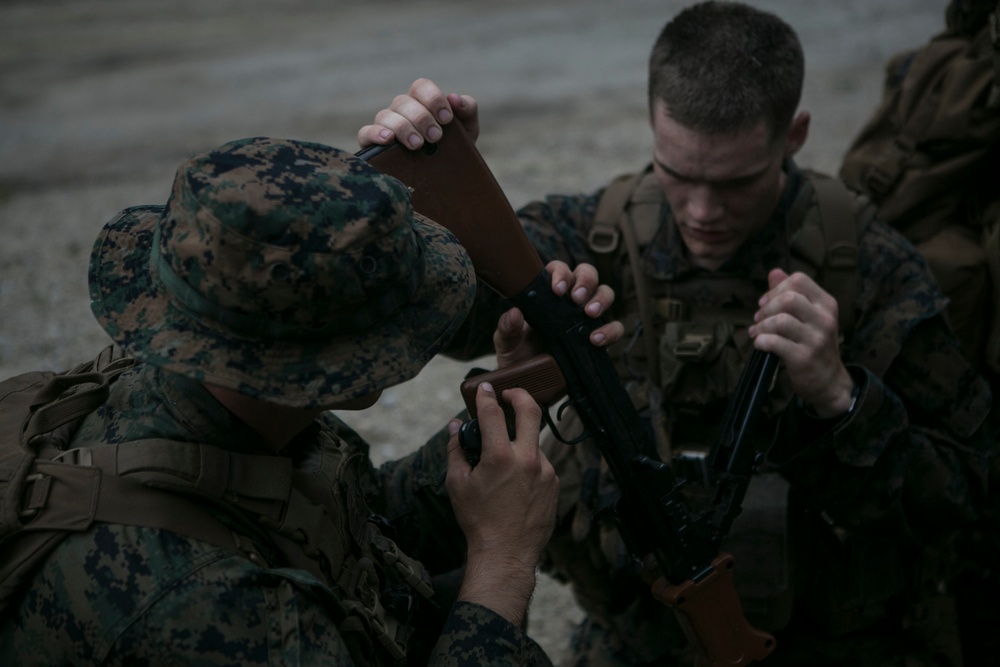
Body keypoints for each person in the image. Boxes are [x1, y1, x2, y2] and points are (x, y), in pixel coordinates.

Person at [358, 2, 996, 665]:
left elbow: (971, 499)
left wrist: (844, 399)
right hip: (638, 641)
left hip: (842, 647)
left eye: (735, 182)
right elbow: (433, 314)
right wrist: (408, 203)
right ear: (654, 128)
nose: (702, 212)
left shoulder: (871, 262)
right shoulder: (589, 235)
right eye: (679, 173)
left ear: (795, 135)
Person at [0, 136, 623, 665]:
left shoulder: (209, 387)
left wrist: (506, 403)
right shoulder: (203, 607)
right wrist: (503, 564)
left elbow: (358, 521)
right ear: (321, 363)